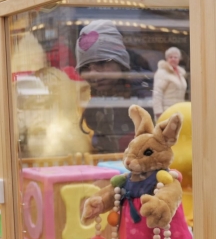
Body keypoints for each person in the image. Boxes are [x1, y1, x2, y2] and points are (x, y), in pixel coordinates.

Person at [76, 20, 151, 152]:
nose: (93, 74)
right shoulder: (96, 98)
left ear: (120, 63)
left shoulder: (143, 98)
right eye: (86, 67)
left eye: (102, 63)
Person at [152, 46, 187, 118]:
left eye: (175, 57)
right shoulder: (162, 72)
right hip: (166, 112)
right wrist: (158, 112)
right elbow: (157, 93)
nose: (173, 59)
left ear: (179, 59)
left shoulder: (180, 73)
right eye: (171, 57)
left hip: (179, 111)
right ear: (167, 59)